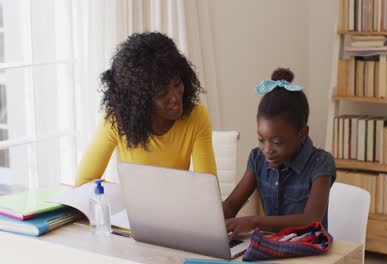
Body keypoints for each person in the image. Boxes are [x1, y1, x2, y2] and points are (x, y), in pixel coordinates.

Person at [75, 32, 216, 186]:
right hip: (132, 210)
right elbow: (84, 182)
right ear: (140, 101)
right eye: (163, 94)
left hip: (176, 209)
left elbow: (207, 188)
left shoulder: (196, 116)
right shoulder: (117, 120)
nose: (175, 98)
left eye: (177, 84)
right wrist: (131, 196)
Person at [222, 68, 336, 238]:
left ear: (302, 134)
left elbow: (311, 220)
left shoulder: (320, 162)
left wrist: (255, 222)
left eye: (277, 142)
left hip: (309, 250)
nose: (267, 150)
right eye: (261, 139)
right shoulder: (257, 159)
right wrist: (206, 223)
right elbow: (231, 204)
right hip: (272, 248)